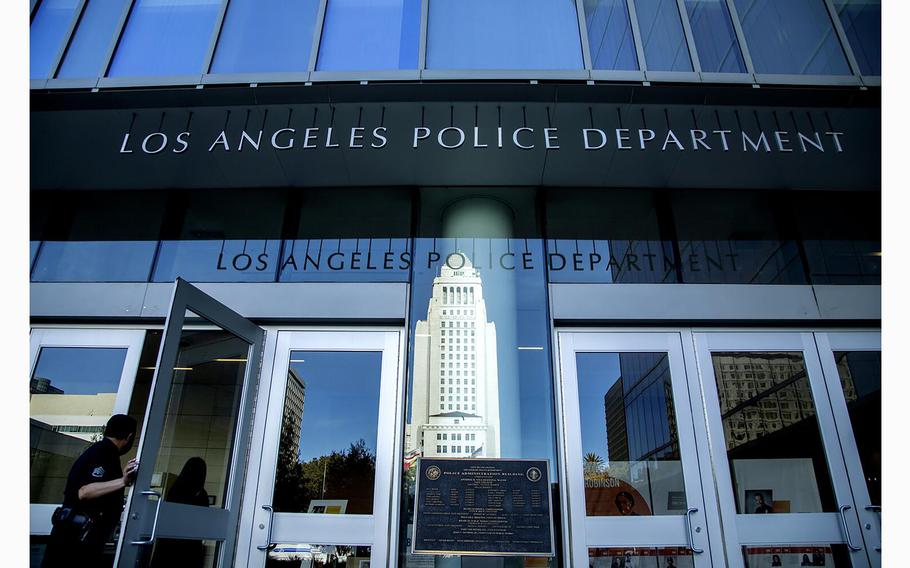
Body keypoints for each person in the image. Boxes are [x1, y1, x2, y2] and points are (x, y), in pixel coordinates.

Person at [42, 414, 138, 568]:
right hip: (75, 541)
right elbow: (84, 491)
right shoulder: (103, 453)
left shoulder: (103, 452)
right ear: (129, 436)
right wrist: (122, 481)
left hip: (77, 537)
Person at [149, 457, 210, 567]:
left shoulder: (176, 488)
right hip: (190, 545)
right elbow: (203, 521)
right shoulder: (201, 494)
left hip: (168, 543)